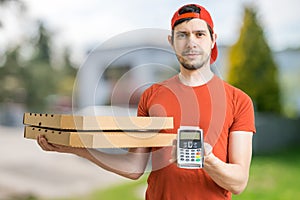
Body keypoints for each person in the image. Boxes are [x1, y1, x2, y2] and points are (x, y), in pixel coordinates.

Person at [37, 4, 256, 200]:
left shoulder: (238, 101)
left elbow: (238, 182)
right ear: (171, 41)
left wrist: (207, 159)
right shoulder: (152, 95)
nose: (191, 42)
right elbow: (134, 167)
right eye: (182, 35)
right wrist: (76, 148)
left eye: (199, 34)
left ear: (213, 39)